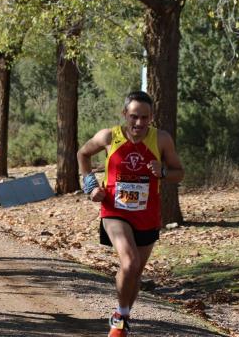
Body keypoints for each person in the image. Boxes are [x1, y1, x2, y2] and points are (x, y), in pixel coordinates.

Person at [77, 91, 184, 337]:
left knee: (134, 272)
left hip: (147, 215)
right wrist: (91, 186)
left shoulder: (162, 140)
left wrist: (164, 172)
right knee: (130, 261)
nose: (139, 123)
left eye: (144, 118)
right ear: (124, 114)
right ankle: (120, 318)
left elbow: (179, 172)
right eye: (134, 117)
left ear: (151, 117)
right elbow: (82, 154)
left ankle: (122, 313)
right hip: (114, 211)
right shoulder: (108, 136)